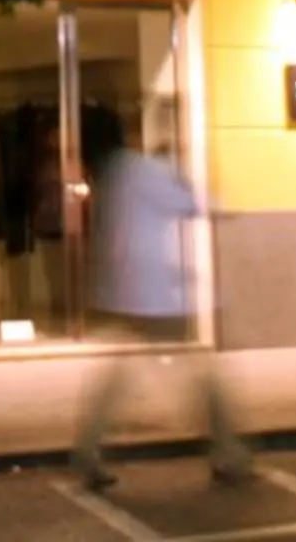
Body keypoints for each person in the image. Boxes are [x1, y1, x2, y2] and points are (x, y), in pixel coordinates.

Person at [74, 116, 248, 491]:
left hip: (123, 292)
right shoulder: (140, 171)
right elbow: (193, 204)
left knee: (116, 378)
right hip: (155, 296)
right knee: (202, 375)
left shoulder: (108, 177)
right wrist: (189, 178)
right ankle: (229, 451)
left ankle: (88, 451)